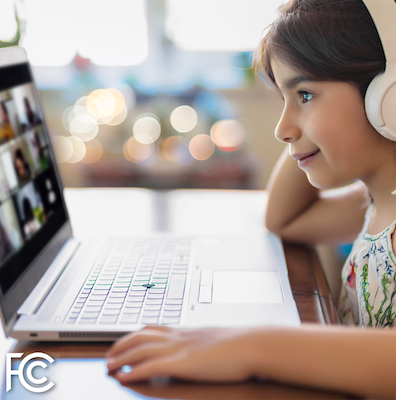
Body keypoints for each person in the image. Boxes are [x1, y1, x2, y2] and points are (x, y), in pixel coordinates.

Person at [105, 1, 396, 398]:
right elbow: (284, 219)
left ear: (386, 94)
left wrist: (249, 346)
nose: (281, 128)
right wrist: (305, 125)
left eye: (306, 94)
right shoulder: (373, 201)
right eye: (284, 99)